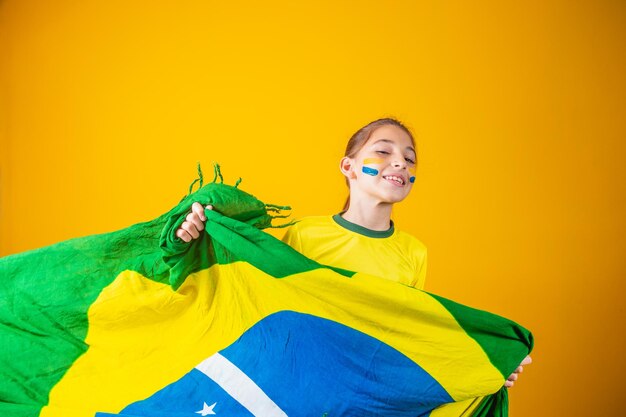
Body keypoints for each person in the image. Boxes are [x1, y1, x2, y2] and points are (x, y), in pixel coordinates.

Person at [175, 117, 531, 388]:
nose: (401, 163)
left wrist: (486, 363)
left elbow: (409, 334)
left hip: (363, 391)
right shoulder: (305, 234)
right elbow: (249, 297)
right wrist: (196, 235)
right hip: (299, 384)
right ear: (349, 167)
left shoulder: (413, 253)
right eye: (383, 150)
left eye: (410, 159)